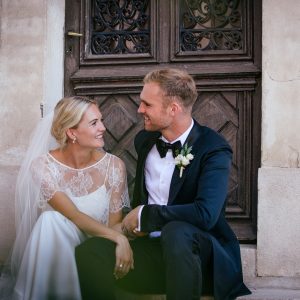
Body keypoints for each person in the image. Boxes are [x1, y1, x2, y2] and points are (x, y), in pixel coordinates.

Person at [75, 69, 251, 300]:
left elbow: (206, 214)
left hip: (199, 260)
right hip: (153, 254)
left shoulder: (213, 148)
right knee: (91, 252)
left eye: (147, 104)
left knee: (176, 232)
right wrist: (124, 236)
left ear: (173, 109)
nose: (140, 110)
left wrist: (145, 216)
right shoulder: (144, 141)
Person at [0, 96, 132, 300]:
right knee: (51, 220)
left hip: (94, 249)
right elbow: (73, 215)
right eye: (94, 122)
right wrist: (120, 238)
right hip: (56, 250)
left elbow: (113, 225)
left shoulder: (114, 167)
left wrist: (118, 236)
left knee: (49, 221)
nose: (103, 128)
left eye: (101, 120)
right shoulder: (43, 166)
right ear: (72, 132)